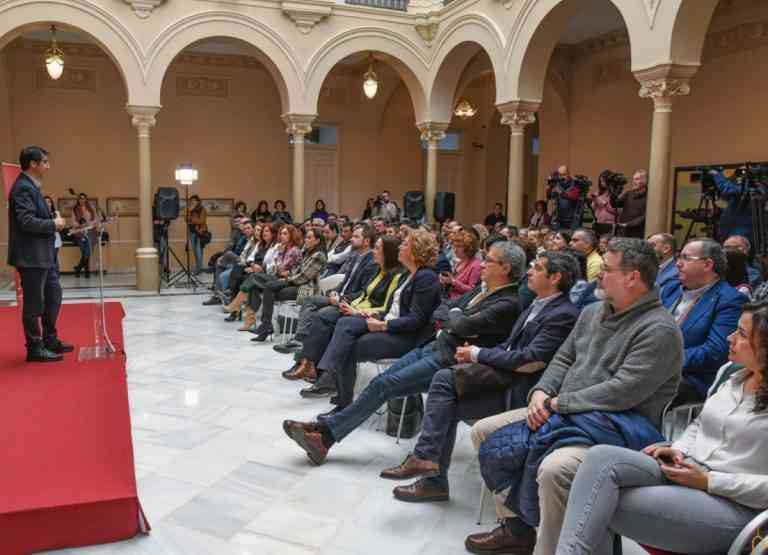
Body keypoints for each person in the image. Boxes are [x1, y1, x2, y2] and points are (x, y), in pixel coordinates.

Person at [466, 238, 684, 555]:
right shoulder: (593, 311)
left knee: (555, 469)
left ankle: (552, 548)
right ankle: (517, 529)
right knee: (484, 432)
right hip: (564, 413)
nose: (597, 274)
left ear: (632, 278)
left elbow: (622, 391)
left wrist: (558, 403)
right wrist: (541, 392)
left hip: (614, 429)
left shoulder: (659, 329)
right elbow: (564, 358)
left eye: (606, 269)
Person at [282, 241, 526, 466]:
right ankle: (324, 433)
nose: (483, 263)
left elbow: (458, 323)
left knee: (384, 384)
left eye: (490, 260)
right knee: (380, 383)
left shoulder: (508, 302)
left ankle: (323, 435)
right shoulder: (483, 290)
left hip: (448, 360)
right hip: (434, 346)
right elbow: (443, 310)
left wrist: (455, 317)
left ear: (505, 268)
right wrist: (455, 316)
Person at [555, 301, 768, 555]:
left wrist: (710, 481)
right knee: (600, 457)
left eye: (742, 334)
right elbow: (699, 423)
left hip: (733, 504)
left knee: (596, 503)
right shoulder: (732, 375)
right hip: (689, 467)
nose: (730, 338)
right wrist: (676, 449)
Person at [385, 251, 580, 503]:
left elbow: (528, 360)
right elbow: (509, 346)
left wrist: (478, 353)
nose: (530, 271)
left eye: (538, 267)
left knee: (444, 381)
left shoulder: (563, 313)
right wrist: (476, 353)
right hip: (505, 378)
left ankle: (426, 463)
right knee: (446, 397)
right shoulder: (538, 303)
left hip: (521, 393)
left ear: (555, 278)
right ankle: (431, 476)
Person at [314, 229, 441, 415]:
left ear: (416, 251)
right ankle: (332, 383)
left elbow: (417, 320)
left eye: (405, 244)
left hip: (406, 336)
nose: (400, 246)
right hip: (385, 322)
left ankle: (339, 396)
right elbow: (389, 307)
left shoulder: (425, 277)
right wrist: (363, 313)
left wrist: (383, 324)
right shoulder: (409, 274)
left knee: (348, 343)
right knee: (343, 323)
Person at [282, 235, 404, 384]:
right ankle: (309, 365)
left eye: (378, 248)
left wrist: (352, 308)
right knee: (320, 315)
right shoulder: (378, 269)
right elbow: (363, 293)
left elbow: (385, 306)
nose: (374, 251)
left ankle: (314, 367)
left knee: (324, 316)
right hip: (353, 305)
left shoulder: (394, 275)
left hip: (366, 314)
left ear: (388, 253)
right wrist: (342, 299)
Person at [661, 239, 747, 402]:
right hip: (652, 362)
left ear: (707, 265)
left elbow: (715, 352)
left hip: (690, 378)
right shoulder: (671, 289)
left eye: (686, 258)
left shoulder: (730, 300)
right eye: (679, 257)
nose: (678, 263)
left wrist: (664, 359)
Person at [274, 224, 379, 358]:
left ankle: (304, 348)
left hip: (350, 303)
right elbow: (344, 282)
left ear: (367, 241)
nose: (351, 239)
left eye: (356, 236)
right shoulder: (355, 258)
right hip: (339, 296)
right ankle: (299, 340)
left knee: (321, 312)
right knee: (310, 301)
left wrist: (341, 298)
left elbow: (364, 292)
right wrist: (334, 291)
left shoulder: (371, 262)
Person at [7, 146, 71, 362]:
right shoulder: (23, 187)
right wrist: (53, 223)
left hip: (45, 254)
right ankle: (35, 347)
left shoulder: (32, 186)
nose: (48, 166)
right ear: (33, 164)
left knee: (54, 296)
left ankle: (50, 339)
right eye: (44, 162)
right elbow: (26, 221)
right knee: (35, 304)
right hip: (31, 256)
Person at [250, 227, 327, 341]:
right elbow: (296, 270)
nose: (306, 239)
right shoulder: (307, 252)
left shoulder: (319, 255)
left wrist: (287, 279)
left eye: (309, 237)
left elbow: (304, 276)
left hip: (305, 288)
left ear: (317, 241)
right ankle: (266, 325)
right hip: (295, 283)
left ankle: (266, 325)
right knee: (265, 284)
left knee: (270, 289)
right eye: (306, 237)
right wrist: (287, 276)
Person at [709, 169, 753, 241]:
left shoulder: (747, 189)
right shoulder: (737, 196)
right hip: (733, 231)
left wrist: (716, 175)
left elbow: (728, 189)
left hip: (740, 233)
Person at [440, 229, 482, 299]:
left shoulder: (476, 265)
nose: (455, 250)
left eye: (459, 247)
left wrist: (453, 282)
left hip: (460, 304)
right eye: (454, 246)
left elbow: (473, 291)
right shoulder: (460, 261)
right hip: (450, 298)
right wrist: (447, 280)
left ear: (469, 248)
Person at [610, 169, 647, 238]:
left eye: (637, 179)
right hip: (624, 231)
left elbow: (645, 216)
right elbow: (614, 204)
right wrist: (614, 192)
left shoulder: (649, 196)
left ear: (645, 180)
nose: (634, 182)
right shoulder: (629, 193)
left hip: (638, 232)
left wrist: (627, 224)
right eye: (633, 179)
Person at [71, 192, 97, 278]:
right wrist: (80, 225)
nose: (82, 200)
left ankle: (78, 268)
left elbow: (95, 219)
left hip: (91, 232)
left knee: (88, 252)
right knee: (84, 252)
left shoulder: (91, 208)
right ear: (78, 199)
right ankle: (87, 272)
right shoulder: (74, 209)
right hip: (80, 233)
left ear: (86, 199)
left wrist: (89, 224)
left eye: (83, 198)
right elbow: (73, 222)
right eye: (80, 198)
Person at [548, 165, 581, 230]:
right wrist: (550, 187)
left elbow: (574, 196)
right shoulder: (557, 183)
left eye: (564, 175)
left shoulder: (575, 183)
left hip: (572, 219)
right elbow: (549, 196)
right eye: (560, 175)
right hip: (560, 218)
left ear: (568, 174)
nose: (562, 177)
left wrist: (561, 193)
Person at [590, 170, 618, 236]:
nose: (602, 183)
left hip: (610, 224)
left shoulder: (615, 193)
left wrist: (604, 203)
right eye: (600, 181)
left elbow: (616, 211)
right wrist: (594, 201)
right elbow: (593, 208)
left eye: (603, 181)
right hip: (598, 222)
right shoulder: (598, 192)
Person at [188, 195, 208, 275]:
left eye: (194, 200)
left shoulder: (202, 209)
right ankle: (198, 268)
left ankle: (198, 269)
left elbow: (201, 221)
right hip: (192, 232)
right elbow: (185, 219)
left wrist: (191, 219)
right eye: (191, 200)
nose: (193, 202)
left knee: (199, 251)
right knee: (195, 251)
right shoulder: (189, 209)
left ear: (198, 201)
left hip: (200, 232)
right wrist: (190, 212)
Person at [44, 196, 62, 262]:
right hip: (44, 239)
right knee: (46, 260)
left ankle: (55, 272)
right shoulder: (40, 214)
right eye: (45, 202)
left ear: (51, 203)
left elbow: (60, 227)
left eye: (49, 202)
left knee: (54, 259)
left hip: (55, 239)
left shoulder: (56, 213)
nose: (47, 203)